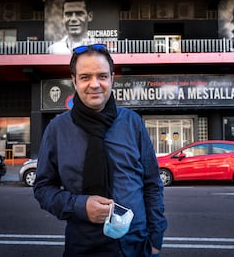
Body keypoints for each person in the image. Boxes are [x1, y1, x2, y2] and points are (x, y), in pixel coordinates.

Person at [33, 43, 167, 257]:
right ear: (74, 81)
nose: (94, 84)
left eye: (102, 76)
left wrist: (156, 238)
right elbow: (42, 188)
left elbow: (152, 183)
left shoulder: (133, 123)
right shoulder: (57, 129)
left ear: (112, 79)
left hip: (136, 245)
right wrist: (79, 205)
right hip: (83, 245)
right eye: (85, 77)